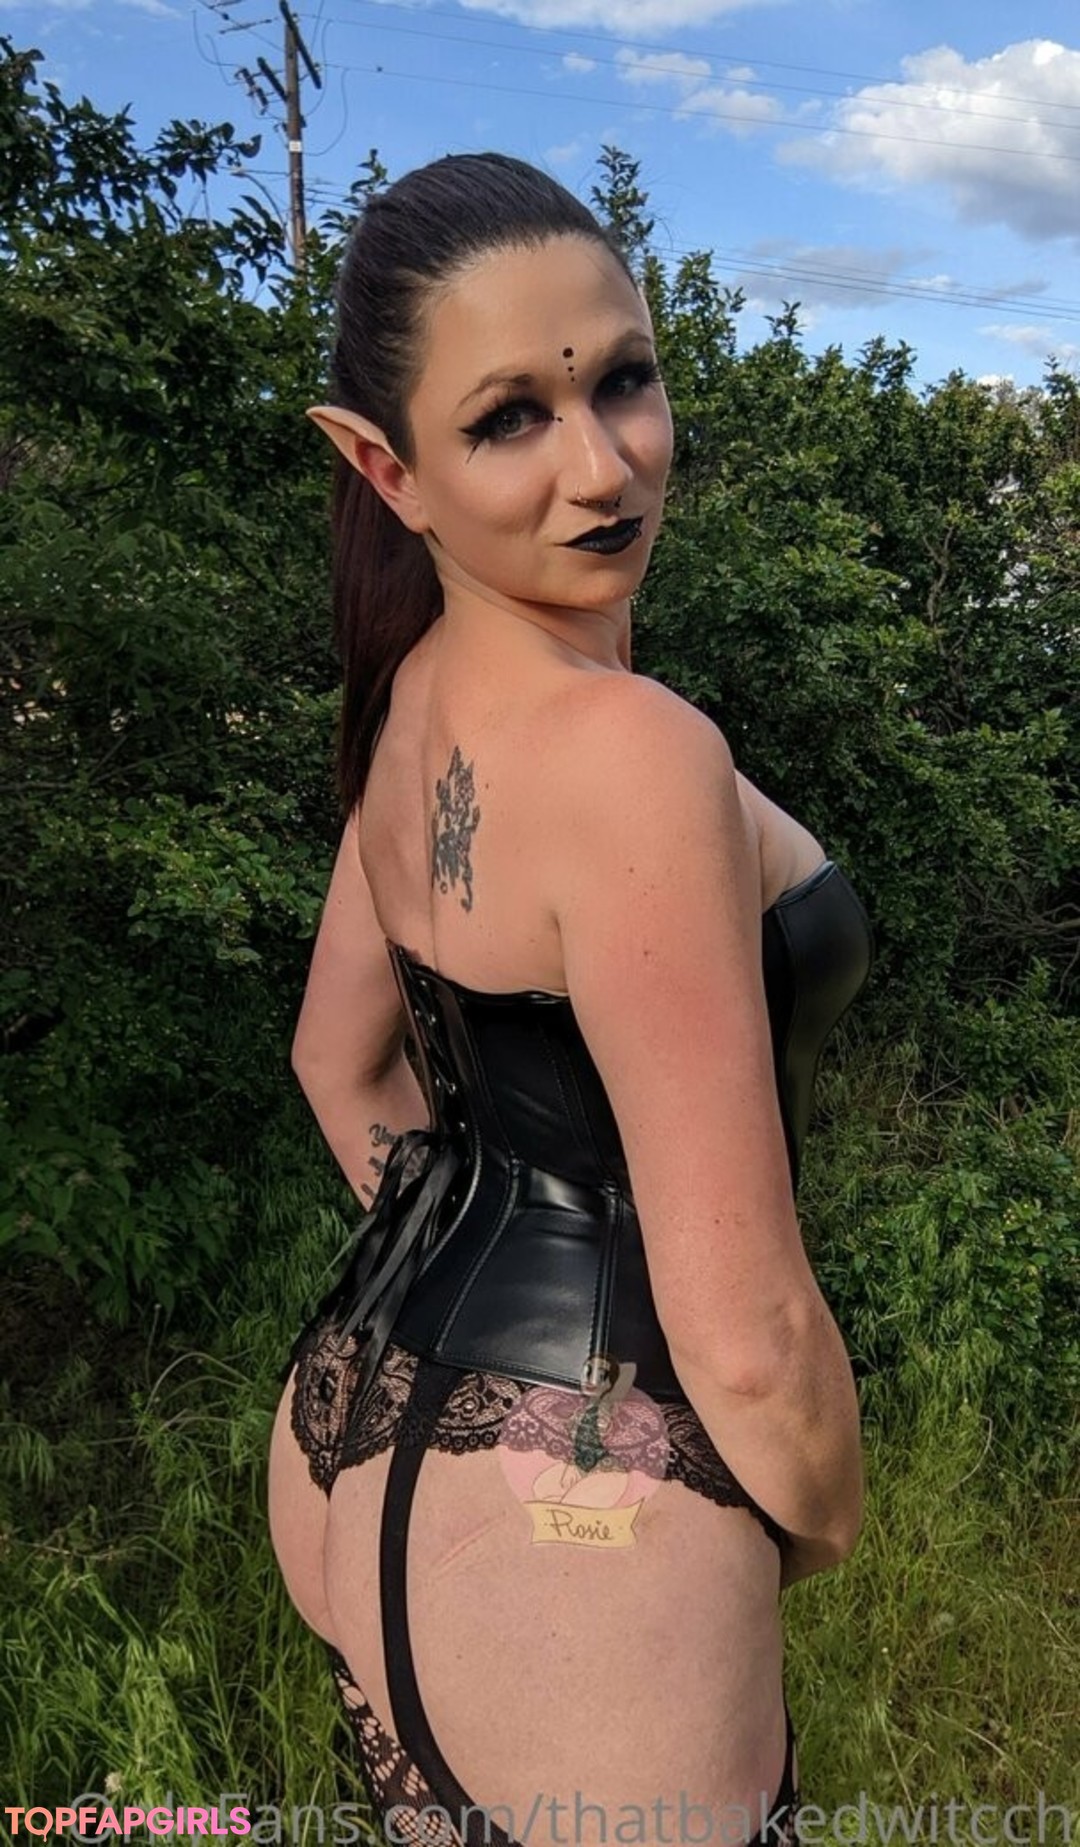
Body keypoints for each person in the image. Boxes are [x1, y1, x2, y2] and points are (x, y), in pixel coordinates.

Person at [267, 151, 874, 1847]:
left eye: (623, 380)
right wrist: (818, 1509)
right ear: (383, 466)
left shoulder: (411, 702)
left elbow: (338, 1069)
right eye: (511, 419)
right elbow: (746, 1338)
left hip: (351, 1427)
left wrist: (458, 1284)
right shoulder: (633, 754)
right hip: (591, 1529)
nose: (604, 467)